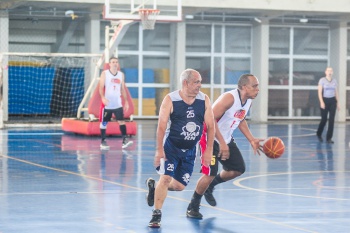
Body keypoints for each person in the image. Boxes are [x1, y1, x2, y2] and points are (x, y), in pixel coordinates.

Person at [186, 74, 263, 219]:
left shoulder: (247, 102)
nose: (258, 89)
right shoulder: (229, 98)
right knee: (210, 173)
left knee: (238, 169)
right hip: (209, 138)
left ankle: (210, 186)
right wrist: (221, 142)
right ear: (244, 87)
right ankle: (192, 207)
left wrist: (251, 139)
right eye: (255, 86)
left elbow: (240, 119)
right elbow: (210, 119)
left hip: (225, 139)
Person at [145, 69, 215, 228]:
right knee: (166, 178)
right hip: (171, 147)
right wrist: (159, 150)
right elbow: (161, 127)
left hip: (190, 150)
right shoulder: (171, 100)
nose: (200, 85)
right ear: (186, 83)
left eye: (200, 82)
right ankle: (156, 215)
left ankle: (154, 189)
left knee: (179, 186)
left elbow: (211, 126)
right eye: (196, 82)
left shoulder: (204, 100)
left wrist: (208, 150)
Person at [99, 56, 133, 150]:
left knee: (121, 121)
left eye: (116, 62)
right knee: (104, 122)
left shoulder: (121, 75)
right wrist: (102, 98)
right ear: (109, 64)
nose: (115, 64)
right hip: (108, 103)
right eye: (113, 62)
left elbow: (122, 89)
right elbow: (101, 87)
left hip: (117, 103)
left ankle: (124, 140)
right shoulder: (105, 74)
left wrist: (126, 101)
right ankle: (103, 141)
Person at [316, 67, 340, 144]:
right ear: (325, 72)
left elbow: (336, 92)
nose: (329, 72)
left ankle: (329, 138)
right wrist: (321, 102)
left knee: (332, 120)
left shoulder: (334, 81)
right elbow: (319, 92)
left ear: (332, 72)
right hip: (325, 100)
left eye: (331, 71)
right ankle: (319, 133)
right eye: (328, 70)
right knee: (324, 119)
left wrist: (338, 102)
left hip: (332, 101)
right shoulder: (322, 80)